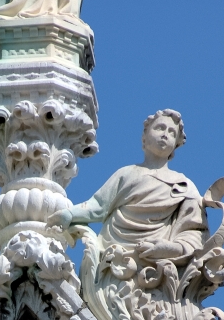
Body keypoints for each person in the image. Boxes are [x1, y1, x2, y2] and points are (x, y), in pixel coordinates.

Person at [47, 109, 206, 266]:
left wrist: (171, 249)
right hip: (114, 256)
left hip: (154, 265)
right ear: (144, 136)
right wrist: (69, 214)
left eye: (172, 132)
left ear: (176, 145)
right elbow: (98, 206)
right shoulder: (127, 174)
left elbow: (194, 232)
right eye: (160, 128)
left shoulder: (184, 186)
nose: (165, 134)